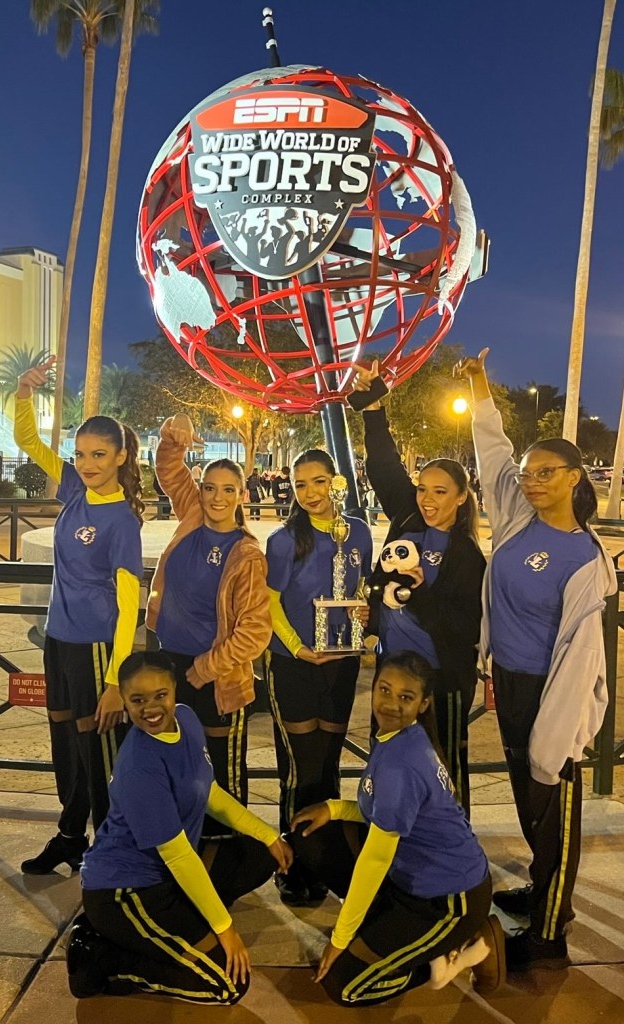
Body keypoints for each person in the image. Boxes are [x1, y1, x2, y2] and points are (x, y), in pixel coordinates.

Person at [455, 347, 617, 971]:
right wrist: (480, 385)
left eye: (547, 472)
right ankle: (542, 892)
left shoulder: (584, 559)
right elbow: (492, 450)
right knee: (530, 800)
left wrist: (559, 729)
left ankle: (550, 936)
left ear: (575, 477)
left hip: (556, 694)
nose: (531, 480)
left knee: (555, 807)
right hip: (513, 683)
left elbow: (582, 657)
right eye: (529, 472)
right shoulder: (519, 519)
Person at [68, 650, 292, 1002]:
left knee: (259, 853)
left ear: (174, 691)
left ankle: (179, 928)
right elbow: (178, 856)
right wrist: (225, 929)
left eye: (160, 695)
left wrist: (268, 834)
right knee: (227, 984)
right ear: (123, 700)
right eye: (137, 700)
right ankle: (102, 956)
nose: (150, 708)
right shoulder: (140, 766)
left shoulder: (185, 719)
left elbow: (208, 791)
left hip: (169, 875)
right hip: (127, 891)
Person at [290, 651, 505, 1006]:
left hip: (446, 901)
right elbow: (384, 812)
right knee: (311, 835)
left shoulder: (401, 763)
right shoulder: (399, 737)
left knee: (345, 984)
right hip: (409, 879)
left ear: (423, 704)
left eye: (406, 697)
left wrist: (340, 939)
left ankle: (465, 945)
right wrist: (333, 808)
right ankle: (410, 938)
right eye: (384, 690)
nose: (391, 704)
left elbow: (375, 858)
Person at [13, 356, 143, 874]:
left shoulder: (122, 521)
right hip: (59, 641)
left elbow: (130, 604)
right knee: (66, 745)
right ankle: (71, 836)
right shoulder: (73, 489)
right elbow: (28, 441)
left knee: (100, 755)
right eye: (81, 454)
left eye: (99, 455)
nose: (87, 463)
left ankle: (111, 854)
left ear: (120, 457)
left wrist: (115, 679)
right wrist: (24, 394)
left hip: (96, 650)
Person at [350, 361, 486, 816]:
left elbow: (465, 628)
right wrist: (373, 405)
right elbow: (384, 465)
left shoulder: (467, 556)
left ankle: (450, 843)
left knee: (442, 768)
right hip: (391, 671)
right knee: (387, 763)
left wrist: (422, 592)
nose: (427, 499)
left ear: (462, 497)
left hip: (439, 681)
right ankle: (389, 840)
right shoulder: (408, 516)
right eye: (424, 489)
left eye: (440, 492)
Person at [147, 414, 271, 832]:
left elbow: (255, 632)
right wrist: (174, 430)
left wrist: (204, 669)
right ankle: (188, 848)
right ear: (200, 491)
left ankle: (229, 854)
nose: (217, 498)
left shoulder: (246, 555)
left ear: (242, 495)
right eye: (210, 488)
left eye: (228, 490)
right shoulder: (192, 515)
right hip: (170, 665)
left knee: (222, 776)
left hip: (218, 678)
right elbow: (168, 468)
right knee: (178, 766)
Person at [266, 449, 373, 905]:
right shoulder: (283, 540)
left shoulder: (358, 532)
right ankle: (291, 864)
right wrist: (297, 647)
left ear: (336, 482)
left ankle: (324, 857)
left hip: (341, 663)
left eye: (319, 482)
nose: (310, 493)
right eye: (300, 484)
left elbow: (363, 585)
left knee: (328, 764)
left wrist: (364, 613)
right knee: (299, 768)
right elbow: (270, 603)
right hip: (294, 664)